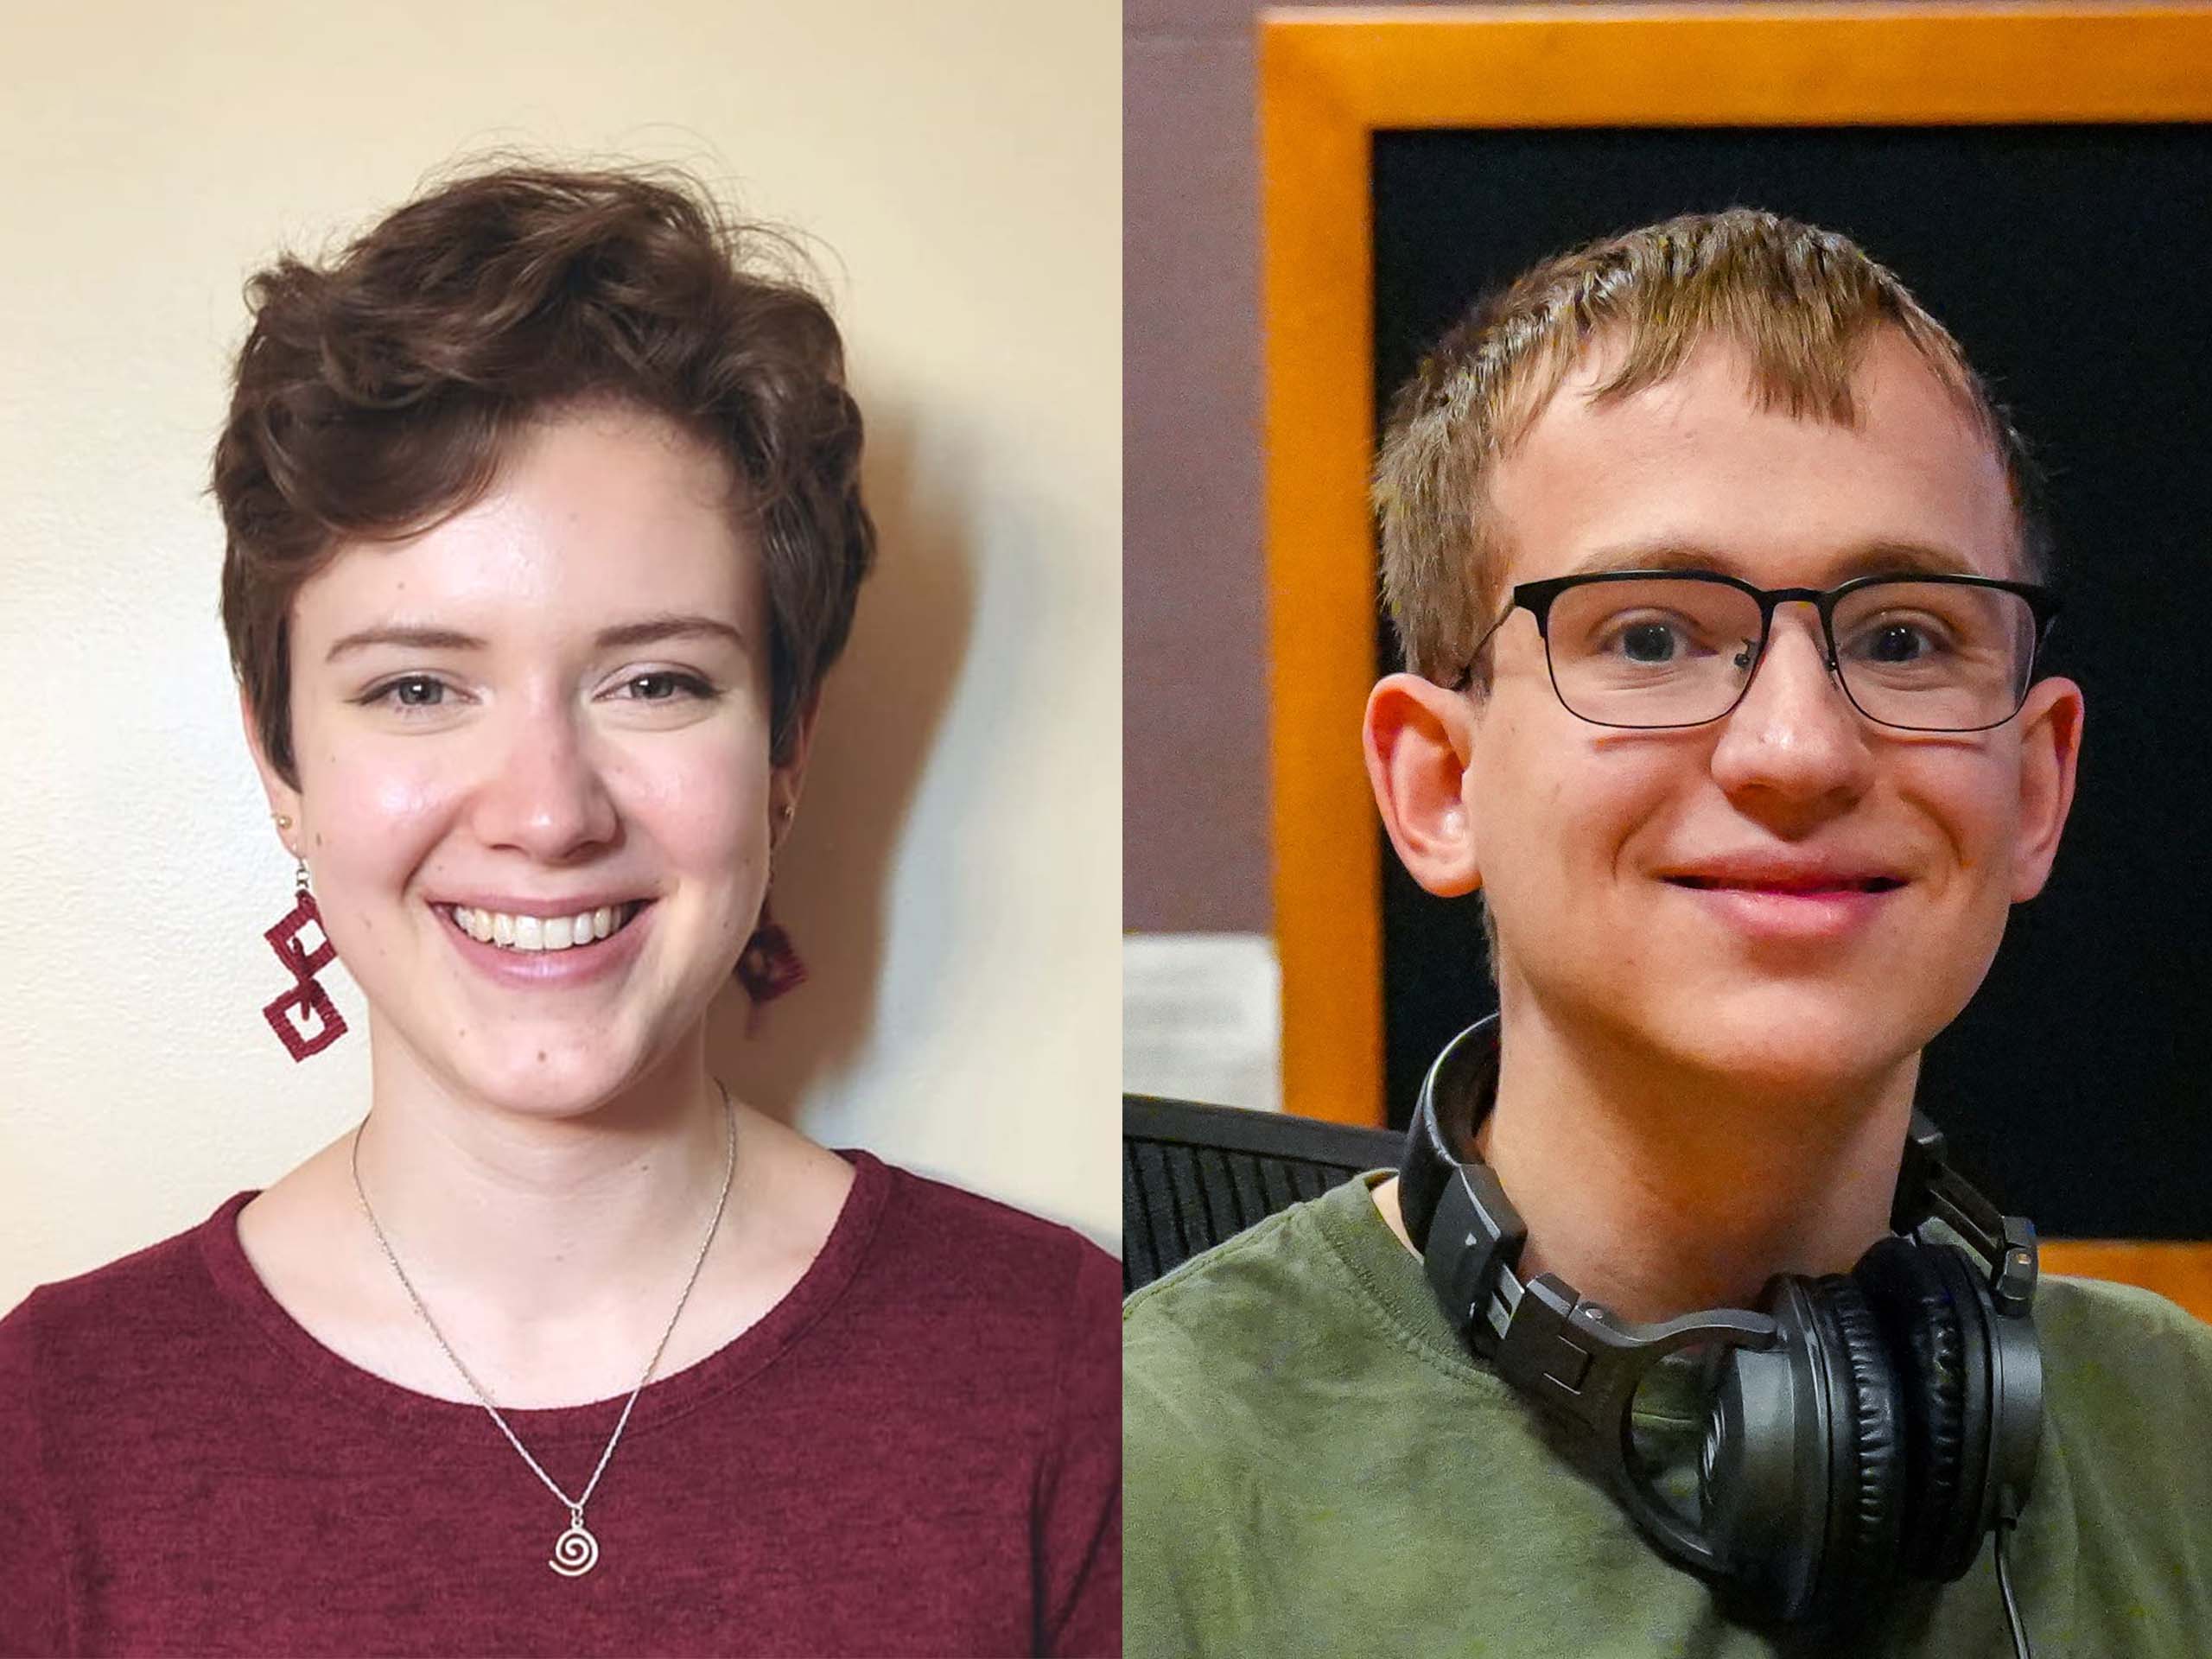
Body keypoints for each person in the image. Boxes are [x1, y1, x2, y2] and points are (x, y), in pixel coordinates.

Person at [0, 163, 1120, 1659]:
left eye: (655, 681)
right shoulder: (51, 1431)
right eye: (416, 687)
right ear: (281, 760)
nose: (545, 811)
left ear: (784, 750)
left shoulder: (1071, 1373)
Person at [1122, 209, 2212, 1656]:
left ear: (2037, 787)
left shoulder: (2177, 1438)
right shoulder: (1137, 1482)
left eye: (1902, 636)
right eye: (1649, 636)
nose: (1798, 749)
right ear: (1440, 785)